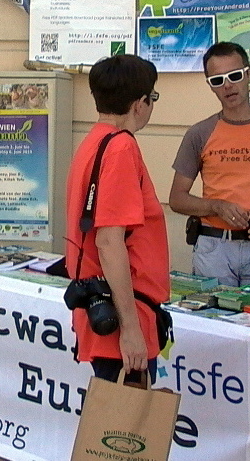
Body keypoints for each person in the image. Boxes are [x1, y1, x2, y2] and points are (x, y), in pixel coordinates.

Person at [169, 41, 250, 297]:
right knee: (217, 326)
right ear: (209, 85)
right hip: (214, 246)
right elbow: (177, 198)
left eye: (234, 76)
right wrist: (215, 206)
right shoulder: (199, 133)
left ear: (249, 74)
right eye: (218, 80)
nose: (228, 86)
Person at [65, 54, 170, 384]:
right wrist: (131, 329)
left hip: (104, 303)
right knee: (126, 431)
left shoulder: (93, 140)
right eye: (152, 98)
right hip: (124, 309)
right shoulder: (121, 147)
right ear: (140, 103)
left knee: (112, 424)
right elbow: (109, 241)